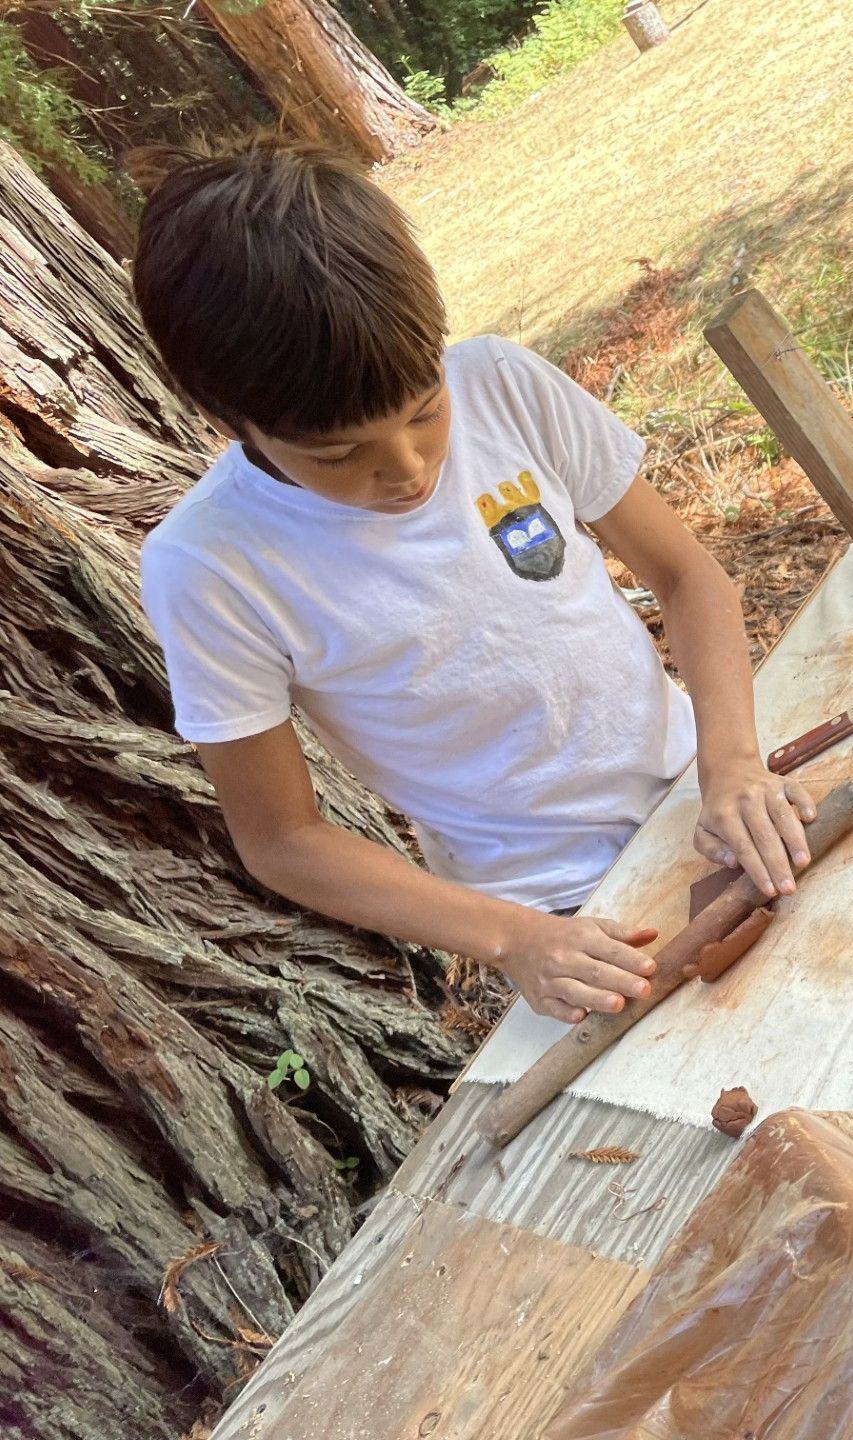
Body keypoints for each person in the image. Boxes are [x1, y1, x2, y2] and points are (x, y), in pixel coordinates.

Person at [132, 136, 814, 1025]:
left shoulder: (500, 384)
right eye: (337, 453)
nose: (409, 468)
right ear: (228, 417)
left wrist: (729, 762)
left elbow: (686, 576)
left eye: (425, 412)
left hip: (703, 793)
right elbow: (281, 839)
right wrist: (512, 940)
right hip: (552, 913)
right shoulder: (210, 567)